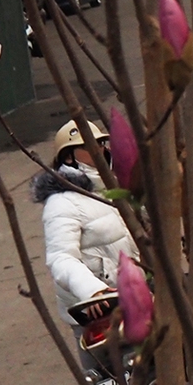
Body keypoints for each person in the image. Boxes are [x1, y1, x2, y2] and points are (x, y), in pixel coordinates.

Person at [35, 120, 140, 323]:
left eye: (101, 143)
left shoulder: (113, 186)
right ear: (68, 156)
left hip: (136, 294)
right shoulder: (62, 202)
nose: (99, 149)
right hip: (99, 310)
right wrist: (92, 291)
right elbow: (61, 258)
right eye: (89, 145)